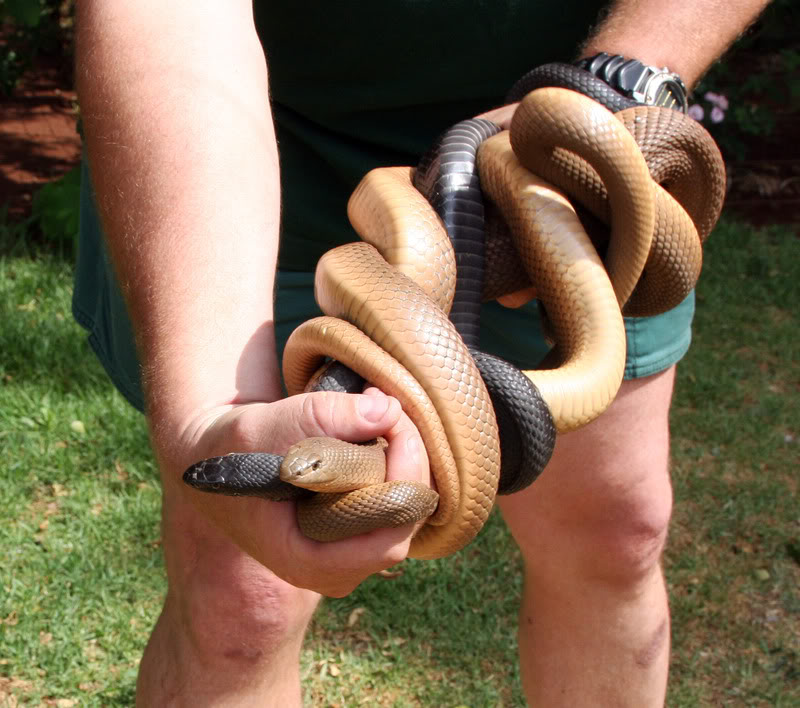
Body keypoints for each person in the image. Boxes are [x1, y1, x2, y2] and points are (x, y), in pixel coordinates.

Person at [73, 1, 769, 704]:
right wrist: (203, 418)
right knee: (245, 594)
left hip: (570, 163)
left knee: (616, 535)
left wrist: (615, 81)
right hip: (249, 143)